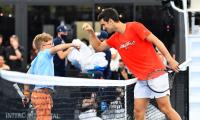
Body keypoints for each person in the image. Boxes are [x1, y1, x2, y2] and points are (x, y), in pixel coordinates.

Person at [82, 8, 181, 120]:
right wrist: (91, 32)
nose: (104, 28)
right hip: (141, 81)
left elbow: (156, 41)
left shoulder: (135, 26)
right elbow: (98, 47)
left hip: (156, 75)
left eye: (104, 24)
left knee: (165, 109)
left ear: (110, 21)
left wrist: (170, 60)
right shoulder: (114, 39)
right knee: (138, 113)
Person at [23, 32, 80, 120]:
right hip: (42, 95)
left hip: (39, 95)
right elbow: (57, 48)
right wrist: (73, 44)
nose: (53, 46)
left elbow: (26, 78)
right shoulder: (46, 53)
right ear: (43, 46)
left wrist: (26, 94)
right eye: (51, 44)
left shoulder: (35, 61)